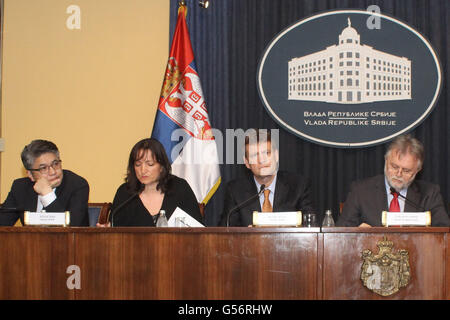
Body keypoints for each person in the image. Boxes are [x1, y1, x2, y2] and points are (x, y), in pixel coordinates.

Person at [337, 134, 450, 227]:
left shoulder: (429, 194)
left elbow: (444, 232)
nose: (398, 174)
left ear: (417, 170)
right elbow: (340, 234)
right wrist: (359, 234)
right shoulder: (361, 191)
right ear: (386, 161)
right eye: (394, 167)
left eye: (406, 170)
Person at [220, 129, 315, 226]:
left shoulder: (298, 186)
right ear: (247, 163)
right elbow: (225, 231)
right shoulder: (235, 190)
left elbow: (310, 225)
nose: (261, 160)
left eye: (267, 153)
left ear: (276, 156)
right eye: (254, 155)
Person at [106, 138, 202, 227]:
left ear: (161, 166)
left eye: (150, 164)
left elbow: (197, 229)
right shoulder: (125, 192)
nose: (143, 170)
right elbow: (114, 228)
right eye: (138, 164)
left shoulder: (179, 188)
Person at [0, 139, 89, 226]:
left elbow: (71, 231)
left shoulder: (77, 185)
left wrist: (47, 195)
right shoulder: (20, 188)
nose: (53, 172)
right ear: (30, 174)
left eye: (56, 164)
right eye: (43, 168)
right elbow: (2, 225)